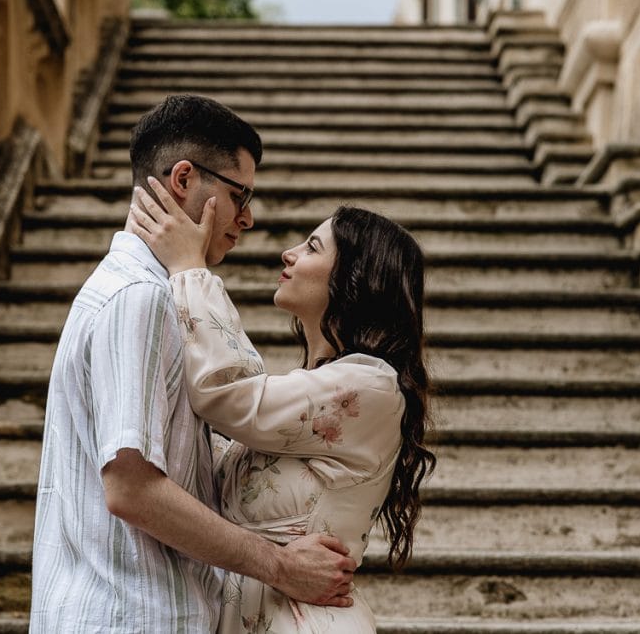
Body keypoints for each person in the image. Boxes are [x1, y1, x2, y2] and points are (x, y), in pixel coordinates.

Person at [30, 95, 357, 633]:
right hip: (129, 615)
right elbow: (131, 487)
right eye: (239, 194)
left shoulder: (148, 292)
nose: (248, 218)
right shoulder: (138, 297)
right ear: (184, 179)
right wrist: (281, 567)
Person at [128, 178, 436, 633]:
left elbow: (230, 395)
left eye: (312, 247)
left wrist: (189, 269)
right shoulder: (311, 390)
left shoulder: (373, 386)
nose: (289, 253)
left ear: (354, 278)